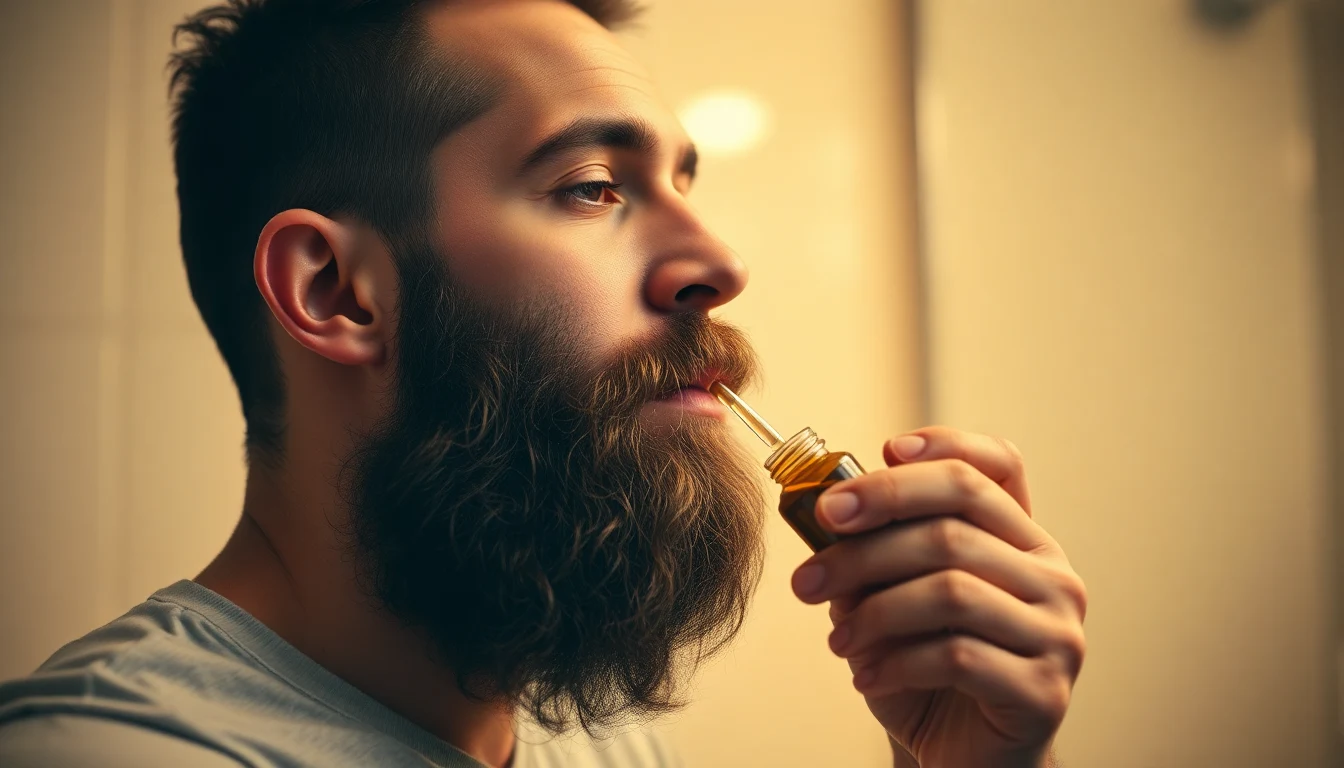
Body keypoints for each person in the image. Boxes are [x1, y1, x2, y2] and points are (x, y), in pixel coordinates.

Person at [0, 0, 1088, 765]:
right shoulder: (108, 753)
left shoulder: (597, 740)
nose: (719, 264)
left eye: (681, 181)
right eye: (595, 186)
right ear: (334, 291)